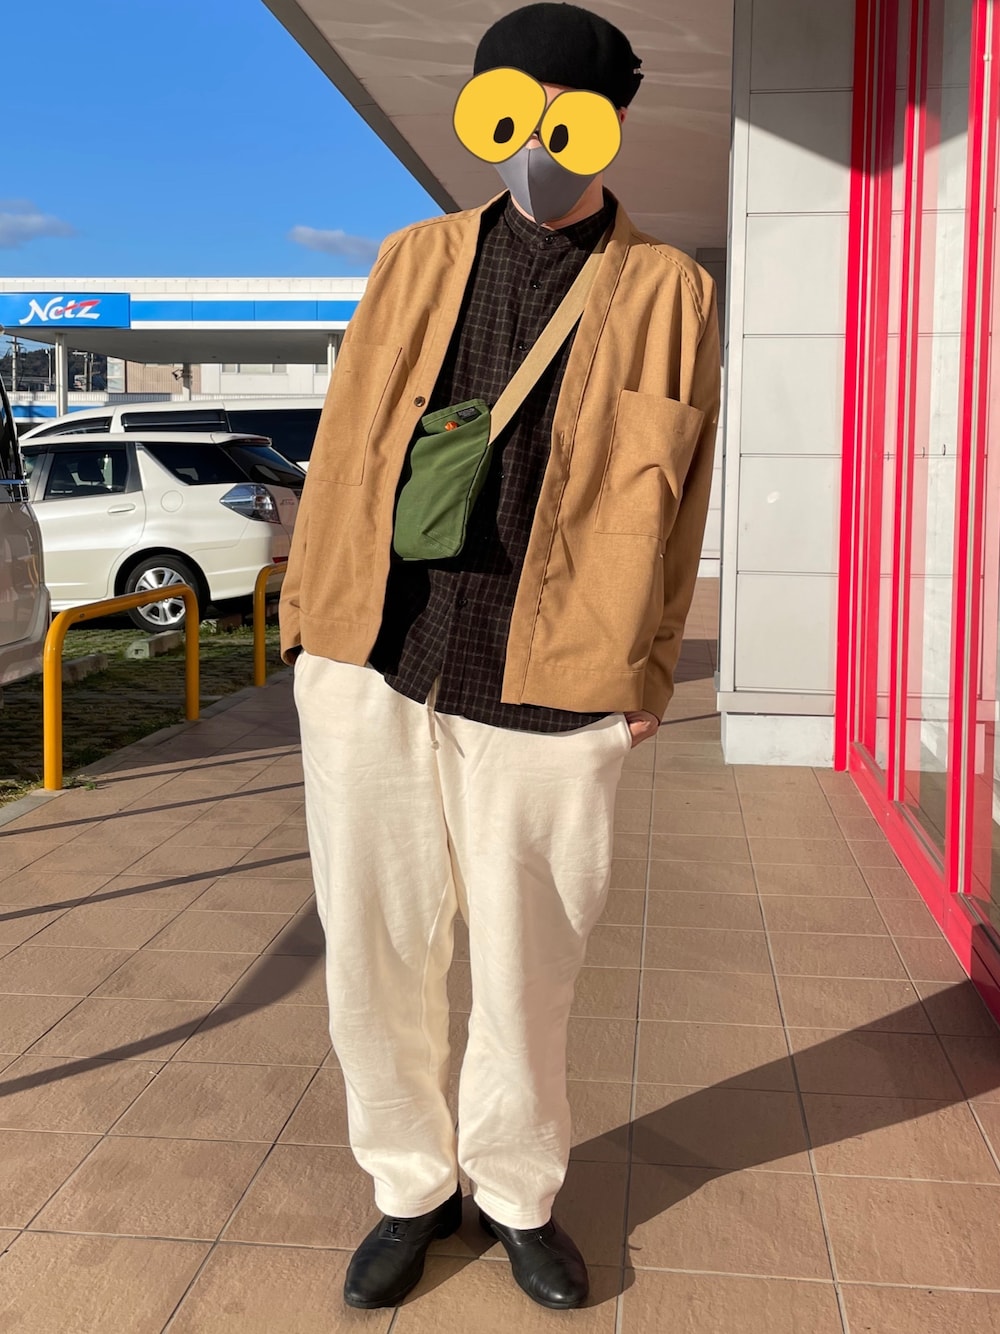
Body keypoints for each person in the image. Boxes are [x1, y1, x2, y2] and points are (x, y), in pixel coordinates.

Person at [280, 1, 720, 1313]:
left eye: (561, 118)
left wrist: (647, 671)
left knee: (532, 970)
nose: (533, 146)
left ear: (608, 125)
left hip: (558, 684)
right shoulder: (413, 259)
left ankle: (517, 1195)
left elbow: (681, 498)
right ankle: (410, 1187)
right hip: (377, 658)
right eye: (507, 114)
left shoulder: (672, 290)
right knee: (375, 952)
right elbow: (344, 443)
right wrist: (308, 628)